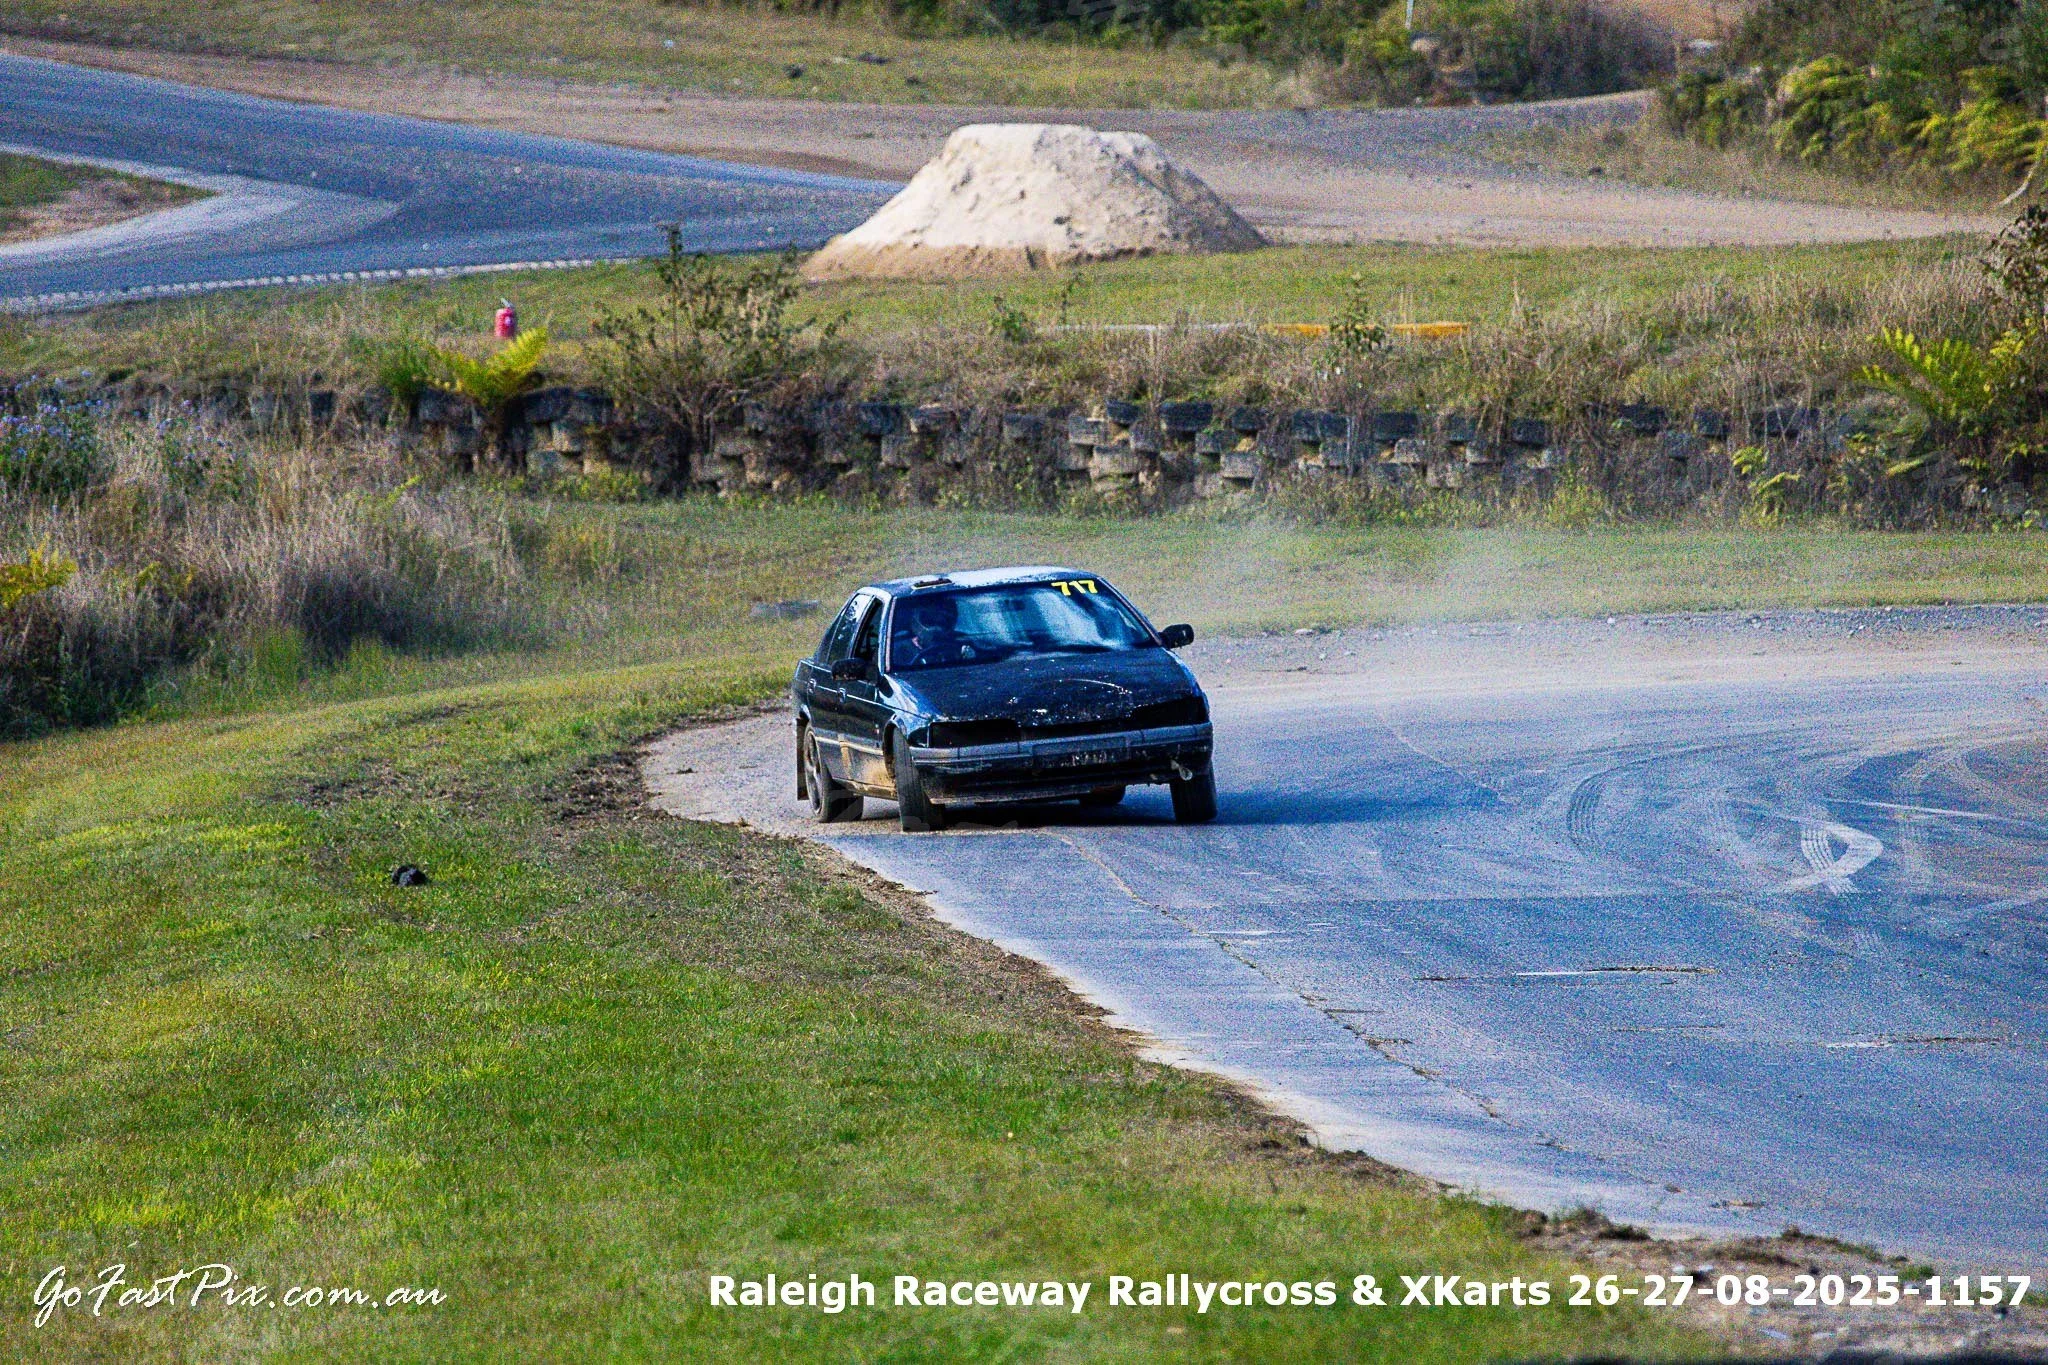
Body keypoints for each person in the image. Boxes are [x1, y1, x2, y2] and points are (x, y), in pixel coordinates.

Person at [893, 596, 972, 669]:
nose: (937, 628)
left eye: (943, 621)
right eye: (929, 620)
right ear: (914, 622)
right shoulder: (896, 651)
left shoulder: (964, 642)